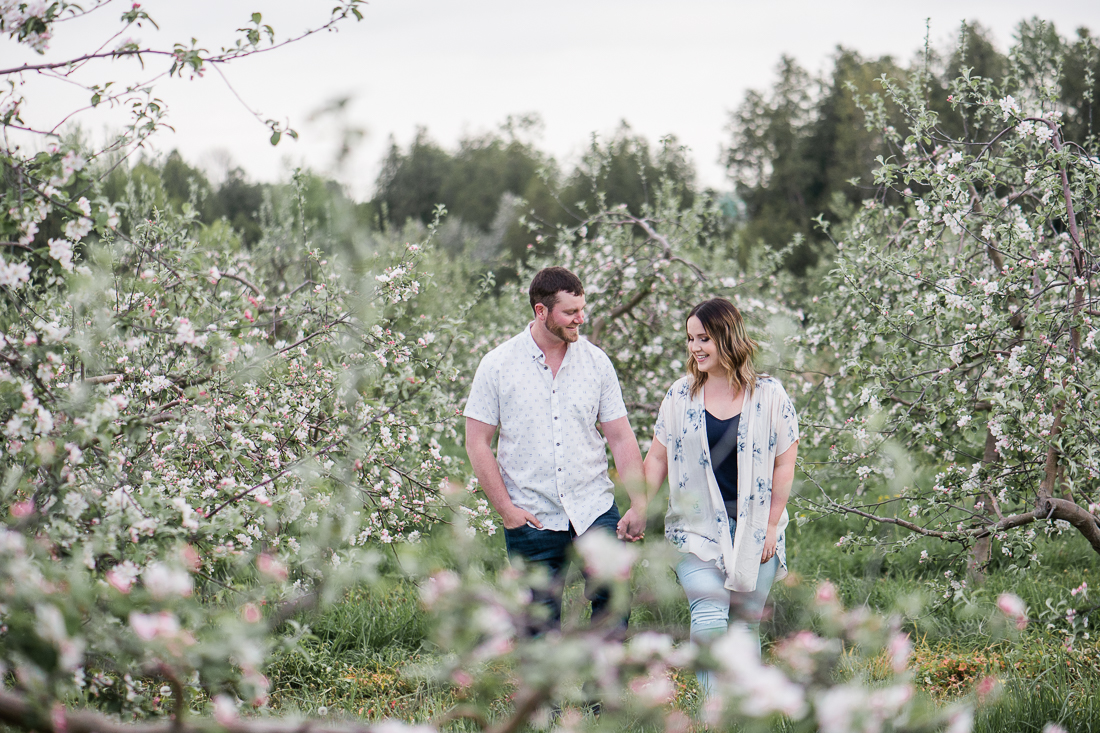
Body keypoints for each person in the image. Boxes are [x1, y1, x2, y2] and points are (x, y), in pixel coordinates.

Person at [464, 266, 645, 634]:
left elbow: (621, 437)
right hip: (532, 515)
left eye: (582, 308)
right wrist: (507, 510)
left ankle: (598, 692)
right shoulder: (497, 365)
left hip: (594, 507)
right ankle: (542, 692)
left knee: (614, 605)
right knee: (536, 626)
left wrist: (639, 504)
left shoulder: (596, 363)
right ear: (541, 311)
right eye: (570, 312)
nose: (581, 319)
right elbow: (477, 442)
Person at [639, 297, 799, 696]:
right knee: (708, 617)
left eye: (704, 338)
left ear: (728, 337)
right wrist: (640, 507)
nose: (695, 347)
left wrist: (771, 526)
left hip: (755, 528)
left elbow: (784, 465)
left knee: (744, 626)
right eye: (691, 338)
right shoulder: (681, 396)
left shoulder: (770, 395)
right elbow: (657, 457)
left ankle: (746, 713)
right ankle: (713, 715)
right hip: (697, 529)